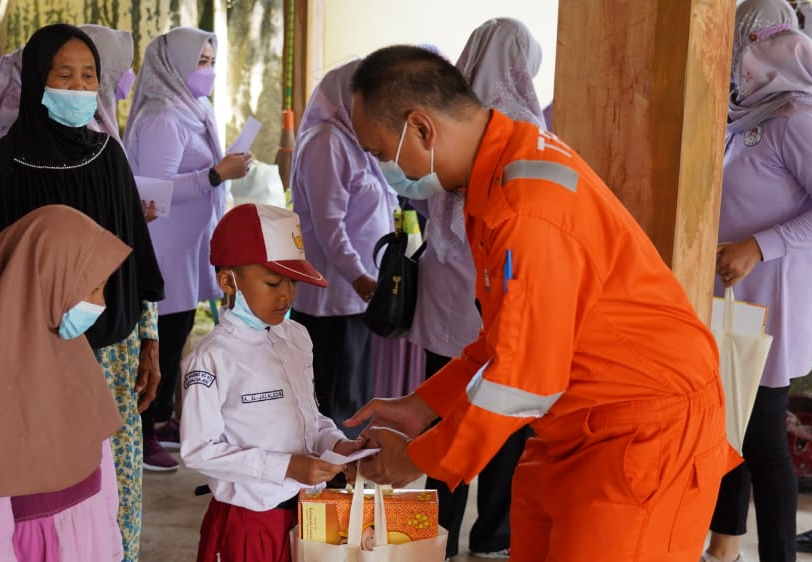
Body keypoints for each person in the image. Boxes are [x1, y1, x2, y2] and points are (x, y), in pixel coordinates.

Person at [345, 45, 731, 560]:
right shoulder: (499, 173)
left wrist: (421, 458)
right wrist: (422, 407)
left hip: (641, 429)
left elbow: (522, 378)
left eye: (378, 153)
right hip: (573, 421)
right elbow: (507, 339)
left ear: (422, 128)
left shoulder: (524, 207)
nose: (382, 169)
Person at [0, 24, 165, 562]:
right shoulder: (4, 166)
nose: (80, 88)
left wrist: (149, 341)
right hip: (38, 359)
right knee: (52, 492)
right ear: (36, 80)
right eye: (65, 75)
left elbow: (137, 258)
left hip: (114, 351)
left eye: (89, 77)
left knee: (116, 484)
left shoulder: (109, 157)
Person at [400, 18, 545, 560]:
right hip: (500, 288)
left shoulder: (445, 121)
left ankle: (432, 534)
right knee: (505, 416)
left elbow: (417, 194)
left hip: (448, 288)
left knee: (445, 410)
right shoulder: (527, 127)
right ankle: (494, 536)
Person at [0, 205, 130, 562]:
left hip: (91, 531)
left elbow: (103, 464)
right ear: (50, 282)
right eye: (93, 288)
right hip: (35, 545)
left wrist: (112, 542)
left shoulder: (76, 357)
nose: (101, 303)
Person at [180, 203, 364, 562]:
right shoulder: (212, 358)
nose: (287, 295)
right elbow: (198, 449)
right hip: (251, 523)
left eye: (293, 282)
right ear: (228, 281)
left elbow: (308, 417)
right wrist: (286, 467)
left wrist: (336, 443)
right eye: (273, 282)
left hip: (310, 515)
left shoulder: (296, 337)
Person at [704, 1, 812, 561]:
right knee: (734, 428)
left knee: (763, 441)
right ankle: (723, 546)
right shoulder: (747, 116)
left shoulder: (797, 117)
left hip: (771, 298)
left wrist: (758, 245)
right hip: (735, 299)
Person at [123, 26, 251, 470]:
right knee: (159, 338)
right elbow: (152, 193)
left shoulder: (193, 108)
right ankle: (144, 433)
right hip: (163, 246)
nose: (209, 70)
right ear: (174, 64)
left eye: (213, 61)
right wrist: (215, 175)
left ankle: (162, 420)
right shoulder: (162, 116)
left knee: (176, 334)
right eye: (201, 61)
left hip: (186, 246)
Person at [289, 59, 398, 437]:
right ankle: (329, 484)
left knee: (352, 395)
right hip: (335, 295)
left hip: (358, 291)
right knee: (335, 397)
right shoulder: (327, 142)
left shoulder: (357, 140)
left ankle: (346, 479)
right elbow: (329, 224)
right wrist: (359, 276)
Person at [0, 23, 135, 151]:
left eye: (87, 75)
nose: (78, 86)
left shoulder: (105, 150)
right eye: (65, 75)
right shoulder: (9, 153)